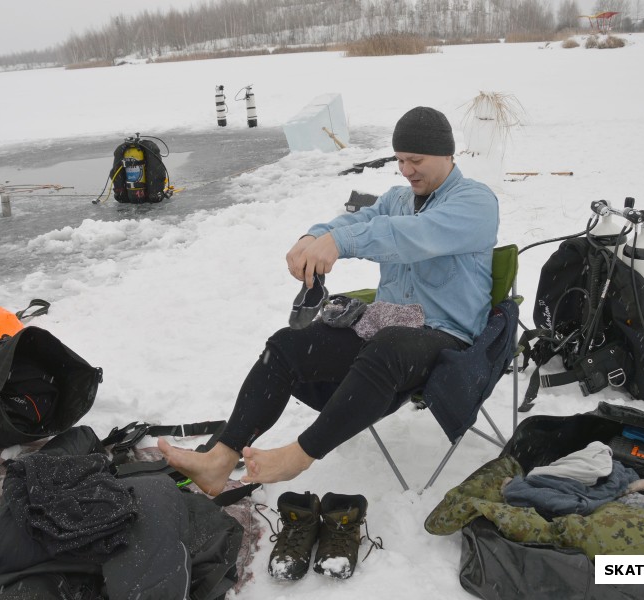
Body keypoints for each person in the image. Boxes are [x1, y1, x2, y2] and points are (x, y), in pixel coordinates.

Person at [159, 106, 499, 495]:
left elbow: (412, 236)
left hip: (444, 334)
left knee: (387, 347)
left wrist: (341, 244)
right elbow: (357, 220)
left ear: (446, 154)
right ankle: (220, 459)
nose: (406, 170)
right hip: (388, 324)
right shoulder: (397, 199)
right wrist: (315, 237)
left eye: (415, 160)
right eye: (401, 160)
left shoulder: (476, 202)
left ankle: (299, 456)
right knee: (285, 346)